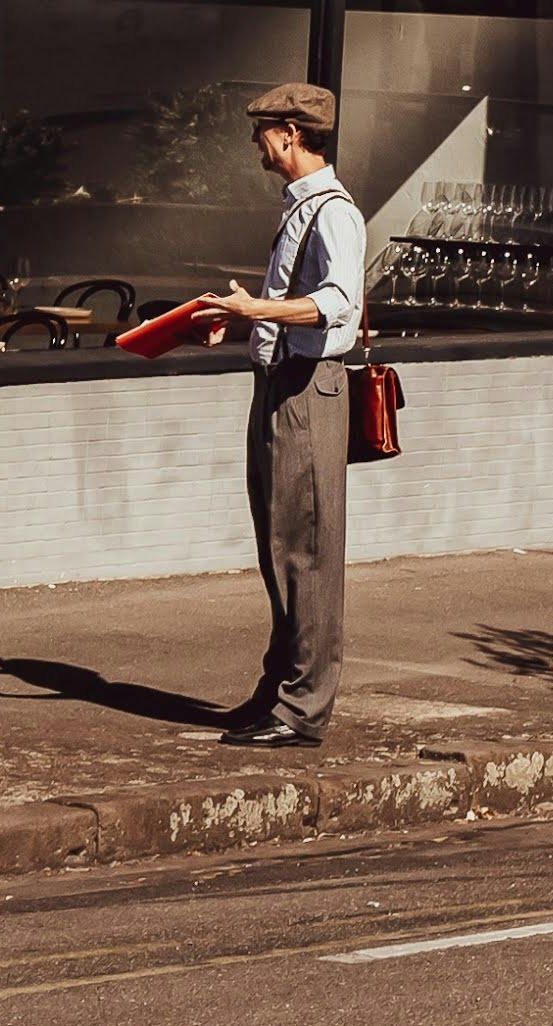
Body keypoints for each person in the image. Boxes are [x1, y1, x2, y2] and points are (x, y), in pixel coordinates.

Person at [200, 80, 366, 750]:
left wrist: (256, 312)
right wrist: (235, 320)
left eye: (262, 132)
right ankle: (279, 691)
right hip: (279, 383)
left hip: (307, 388)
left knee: (308, 551)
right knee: (280, 546)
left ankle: (301, 710)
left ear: (289, 135)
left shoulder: (332, 212)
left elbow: (336, 303)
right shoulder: (304, 207)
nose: (255, 144)